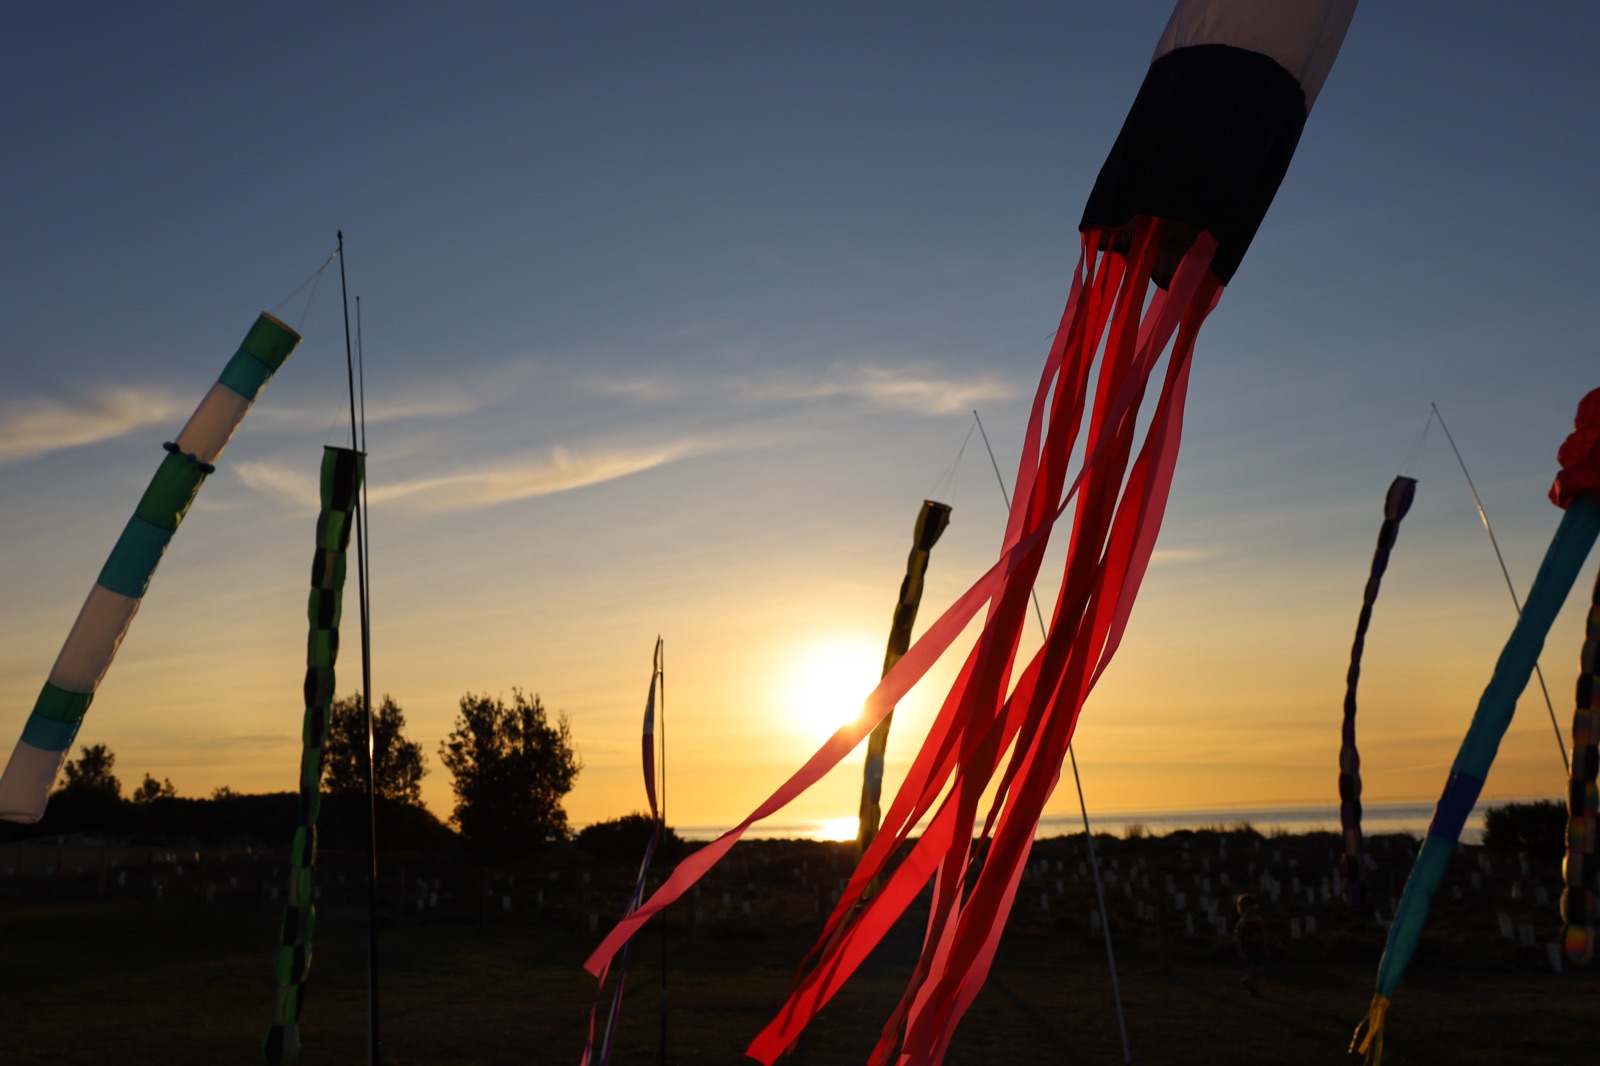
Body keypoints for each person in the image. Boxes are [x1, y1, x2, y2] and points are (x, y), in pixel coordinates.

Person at [1234, 893, 1269, 996]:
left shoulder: (1258, 920)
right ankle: (1252, 989)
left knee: (1259, 970)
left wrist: (1265, 948)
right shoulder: (1242, 922)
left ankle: (1246, 982)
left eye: (1252, 905)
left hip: (1258, 948)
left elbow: (1262, 935)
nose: (1250, 908)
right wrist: (1240, 951)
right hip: (1248, 949)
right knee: (1251, 969)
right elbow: (1238, 937)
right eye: (1247, 906)